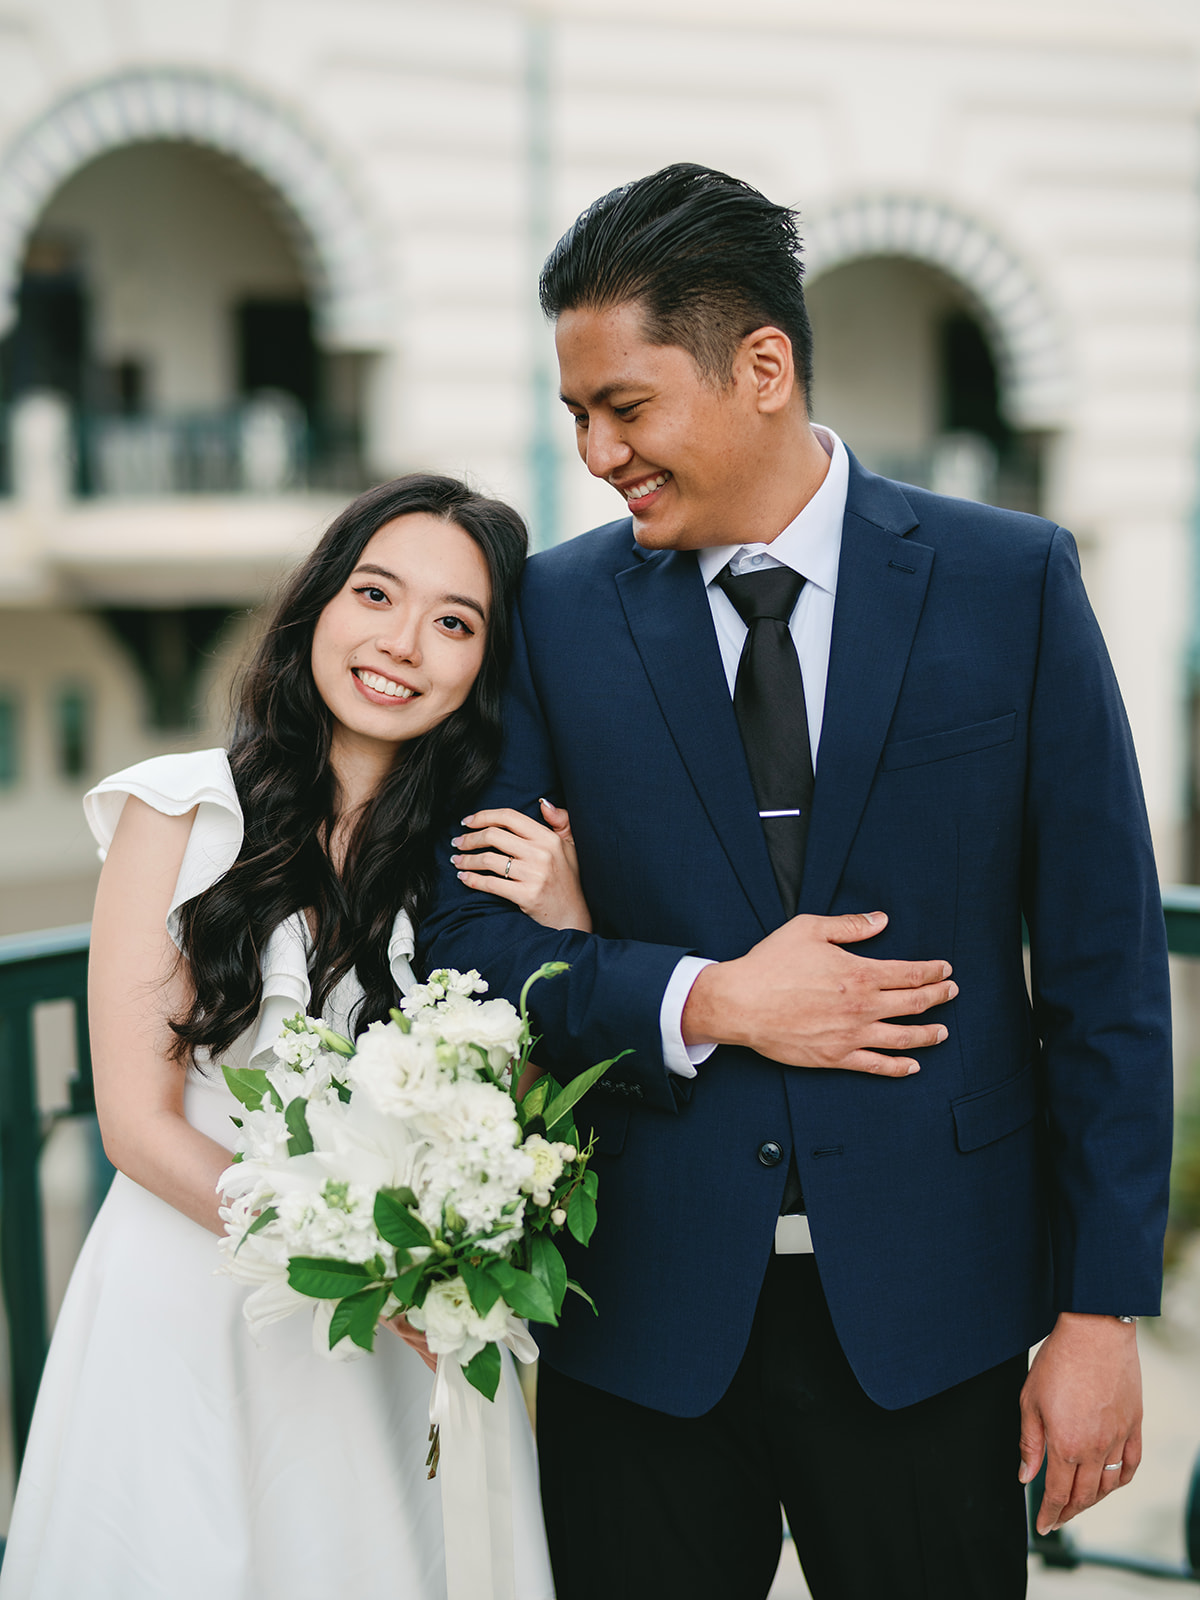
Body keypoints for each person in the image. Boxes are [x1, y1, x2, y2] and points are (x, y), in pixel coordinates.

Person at [421, 165, 1175, 1600]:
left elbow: (1104, 973)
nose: (594, 452)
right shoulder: (558, 616)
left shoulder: (1010, 581)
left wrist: (1099, 1314)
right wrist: (711, 999)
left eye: (624, 408)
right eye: (577, 414)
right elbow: (465, 939)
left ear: (761, 365)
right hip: (638, 1318)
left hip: (934, 1321)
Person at [0, 474, 588, 1600]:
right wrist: (359, 1265)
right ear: (319, 601)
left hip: (401, 1338)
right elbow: (133, 1123)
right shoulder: (178, 810)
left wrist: (567, 927)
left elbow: (513, 1123)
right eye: (377, 593)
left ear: (487, 667)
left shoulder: (478, 865)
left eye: (454, 622)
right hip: (191, 1301)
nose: (402, 643)